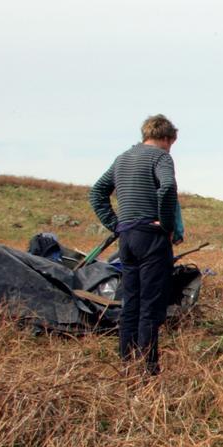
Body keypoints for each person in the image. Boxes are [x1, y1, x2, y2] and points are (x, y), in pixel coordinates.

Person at [89, 114, 184, 374]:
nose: (170, 148)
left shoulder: (122, 159)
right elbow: (167, 188)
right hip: (151, 238)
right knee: (151, 305)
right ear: (165, 138)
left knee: (131, 302)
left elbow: (97, 192)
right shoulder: (161, 157)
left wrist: (117, 224)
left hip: (127, 239)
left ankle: (126, 363)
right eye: (171, 143)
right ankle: (147, 369)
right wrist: (166, 225)